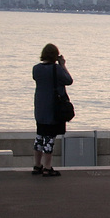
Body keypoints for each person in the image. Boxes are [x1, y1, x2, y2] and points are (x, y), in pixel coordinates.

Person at [32, 44, 73, 177]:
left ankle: (37, 165)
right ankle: (47, 167)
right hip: (53, 107)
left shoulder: (36, 69)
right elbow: (69, 80)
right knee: (49, 138)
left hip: (40, 107)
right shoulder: (56, 69)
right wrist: (62, 65)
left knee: (40, 136)